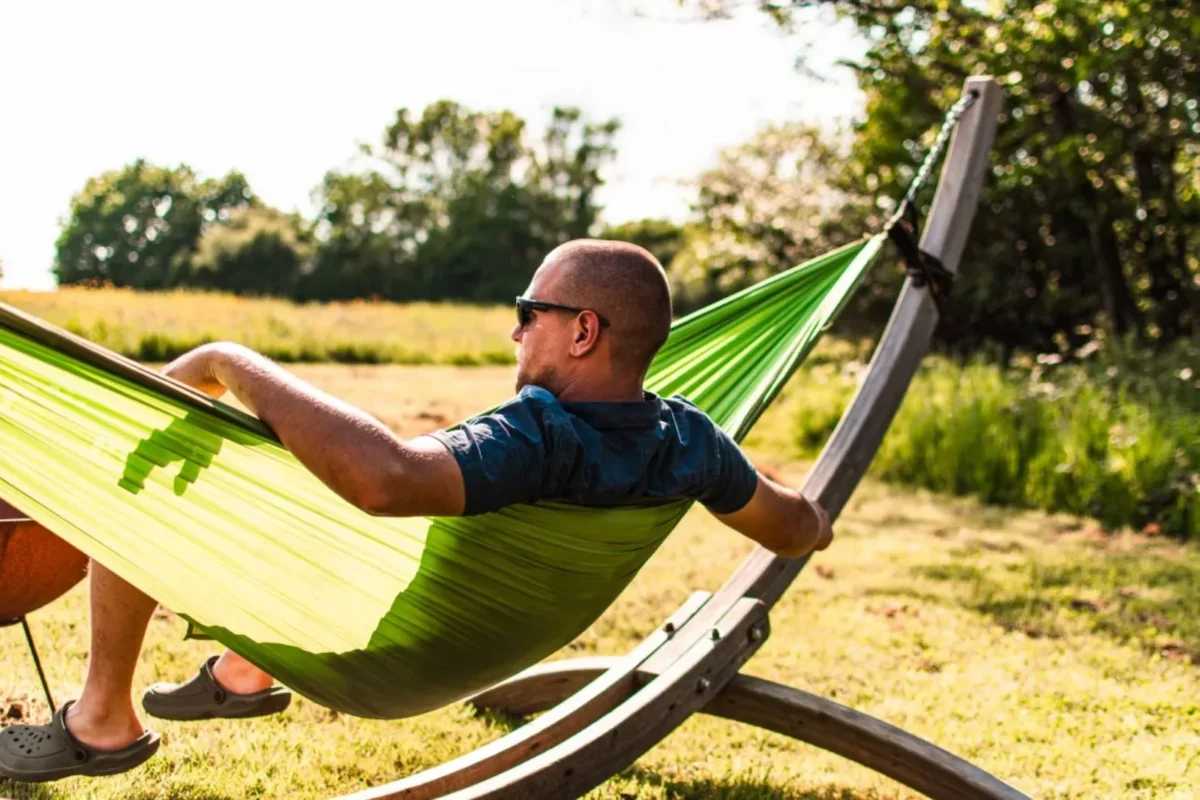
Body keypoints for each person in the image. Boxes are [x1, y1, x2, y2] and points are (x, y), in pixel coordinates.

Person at [0, 240, 831, 782]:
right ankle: (245, 673)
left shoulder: (537, 435)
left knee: (137, 507)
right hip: (476, 648)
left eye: (525, 315)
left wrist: (227, 359)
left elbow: (385, 482)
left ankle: (102, 719)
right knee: (286, 501)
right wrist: (799, 503)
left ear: (582, 331)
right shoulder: (692, 442)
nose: (515, 336)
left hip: (388, 657)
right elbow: (799, 530)